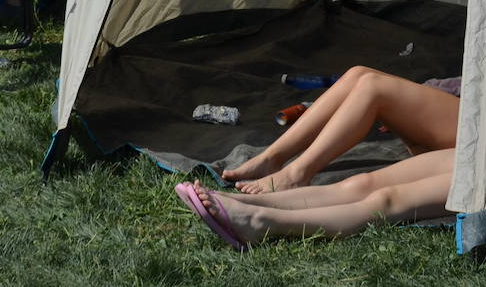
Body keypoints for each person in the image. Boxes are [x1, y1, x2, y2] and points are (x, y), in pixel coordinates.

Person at [177, 67, 461, 247]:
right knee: (360, 77)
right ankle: (252, 193)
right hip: (482, 132)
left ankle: (262, 219)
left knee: (385, 200)